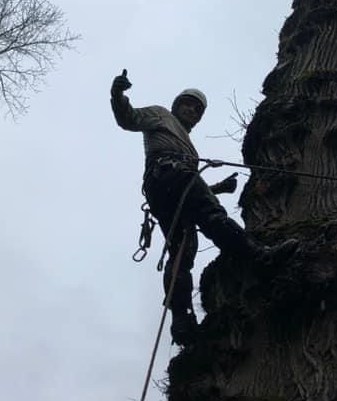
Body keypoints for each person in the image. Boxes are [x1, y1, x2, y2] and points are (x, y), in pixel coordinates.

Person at [110, 70, 295, 344]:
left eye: (198, 109)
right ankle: (257, 257)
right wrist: (118, 95)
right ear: (176, 105)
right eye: (188, 104)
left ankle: (181, 321)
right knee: (212, 215)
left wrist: (219, 187)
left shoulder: (191, 150)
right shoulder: (161, 115)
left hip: (169, 186)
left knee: (183, 251)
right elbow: (129, 119)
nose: (192, 110)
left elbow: (193, 189)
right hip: (167, 173)